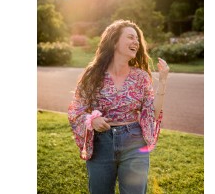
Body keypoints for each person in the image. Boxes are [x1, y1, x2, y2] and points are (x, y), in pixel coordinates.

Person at [68, 20, 169, 194]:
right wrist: (92, 120)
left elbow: (151, 113)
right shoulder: (92, 75)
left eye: (137, 39)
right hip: (101, 144)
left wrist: (164, 81)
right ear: (114, 41)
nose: (136, 42)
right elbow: (76, 110)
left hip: (134, 142)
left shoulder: (141, 77)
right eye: (130, 37)